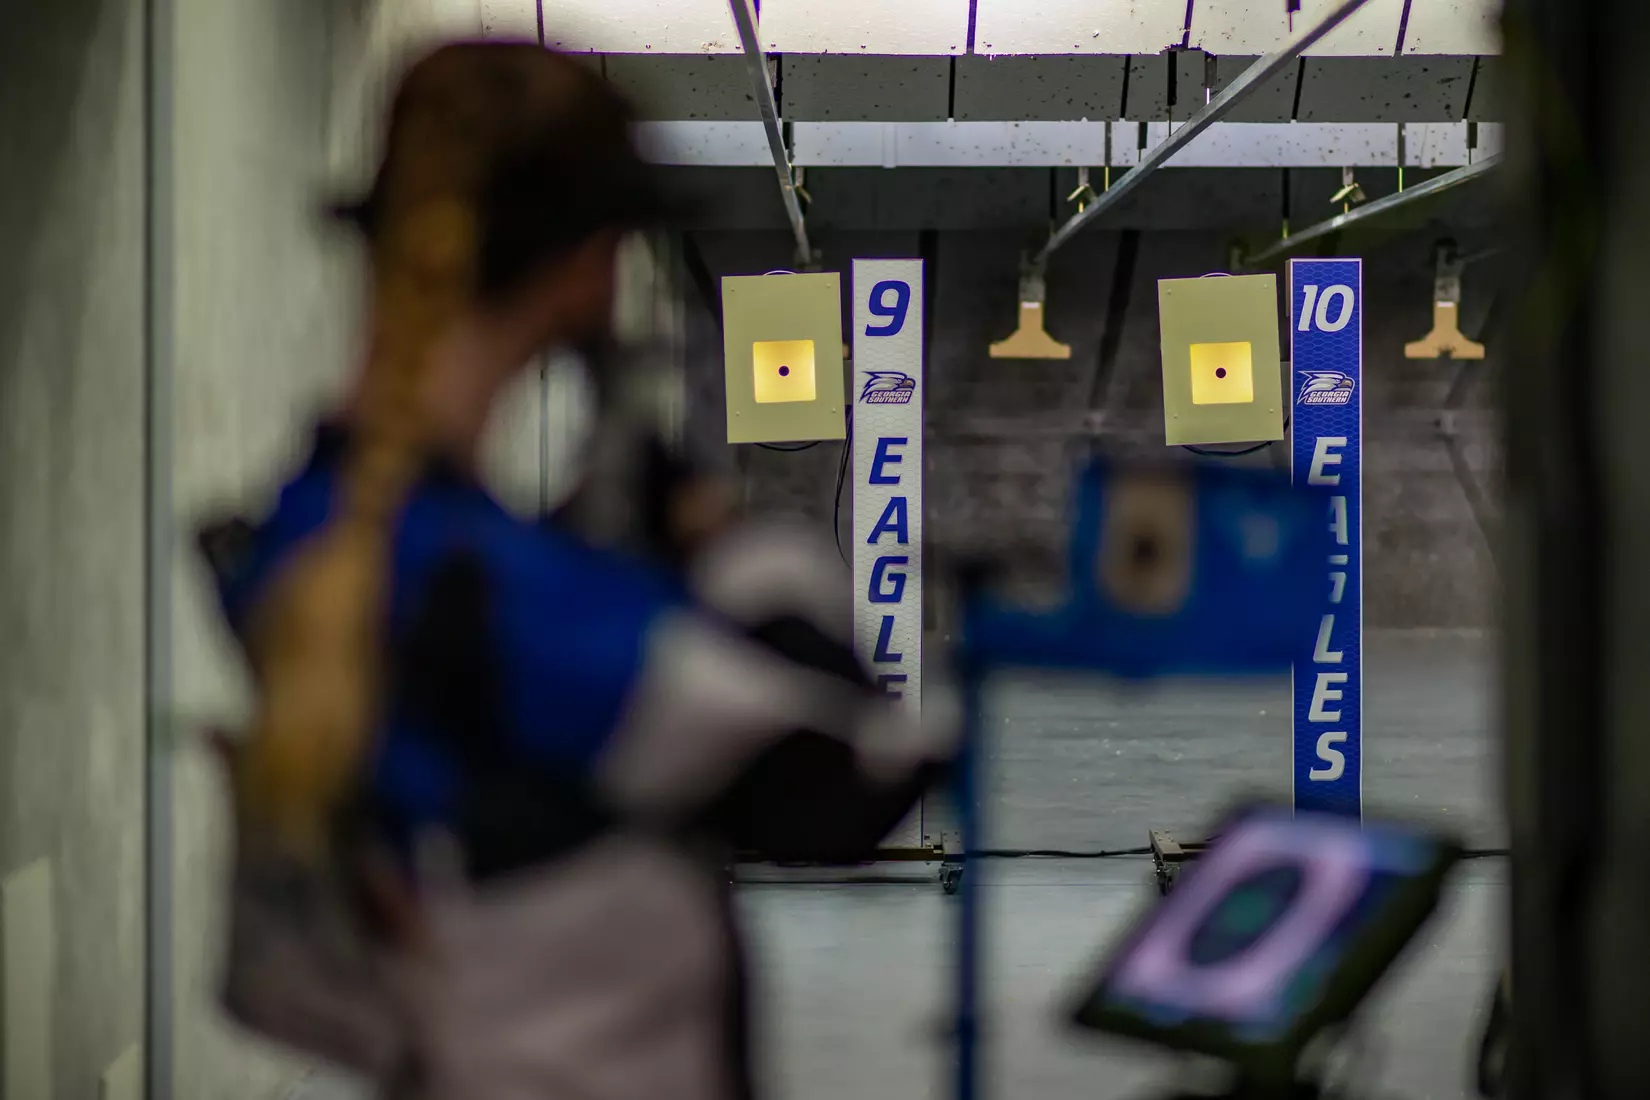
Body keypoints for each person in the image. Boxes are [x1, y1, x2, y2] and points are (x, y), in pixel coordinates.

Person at [198, 41, 953, 1100]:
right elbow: (862, 765)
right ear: (591, 262)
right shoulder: (494, 600)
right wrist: (726, 537)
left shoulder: (297, 537)